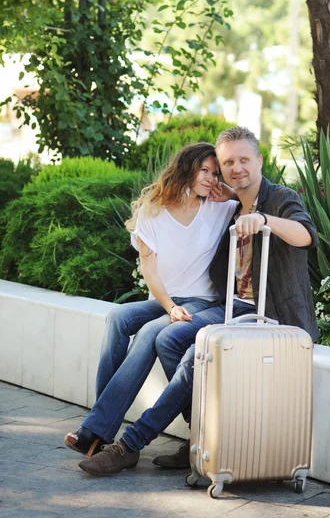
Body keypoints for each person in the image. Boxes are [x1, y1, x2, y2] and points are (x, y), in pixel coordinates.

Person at [78, 126, 320, 477]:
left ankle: (130, 444)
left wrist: (265, 220)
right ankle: (200, 439)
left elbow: (306, 236)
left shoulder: (279, 198)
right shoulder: (229, 208)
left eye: (243, 160)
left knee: (192, 352)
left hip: (268, 313)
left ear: (259, 160)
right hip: (229, 307)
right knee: (166, 338)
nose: (236, 168)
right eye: (228, 163)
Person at [64, 142, 237, 456]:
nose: (212, 179)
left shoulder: (220, 207)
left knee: (148, 333)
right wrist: (169, 307)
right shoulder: (152, 208)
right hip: (164, 298)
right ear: (186, 168)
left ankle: (95, 430)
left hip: (201, 300)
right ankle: (102, 427)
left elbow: (259, 201)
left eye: (216, 173)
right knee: (118, 318)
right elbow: (150, 272)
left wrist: (233, 194)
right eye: (205, 170)